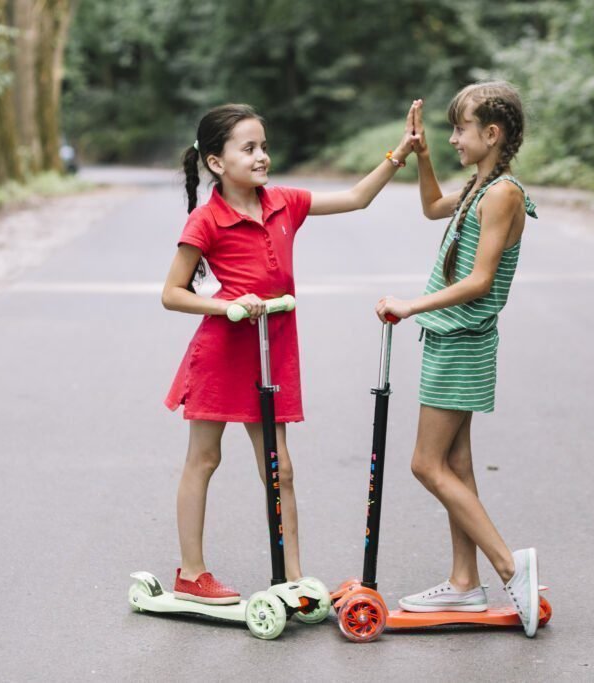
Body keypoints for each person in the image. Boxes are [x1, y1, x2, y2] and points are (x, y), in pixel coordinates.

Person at [161, 102, 420, 604]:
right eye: (249, 148)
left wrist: (398, 153)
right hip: (223, 351)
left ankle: (293, 578)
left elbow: (356, 198)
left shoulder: (284, 202)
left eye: (264, 147)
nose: (262, 156)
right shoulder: (206, 220)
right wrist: (229, 306)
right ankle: (191, 573)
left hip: (269, 353)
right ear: (216, 162)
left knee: (279, 468)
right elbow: (172, 293)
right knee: (204, 459)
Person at [374, 82, 543, 637]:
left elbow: (480, 280)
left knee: (425, 464)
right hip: (452, 340)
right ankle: (465, 583)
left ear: (491, 134)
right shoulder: (479, 186)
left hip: (463, 340)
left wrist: (410, 304)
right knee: (458, 466)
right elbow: (429, 208)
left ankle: (508, 567)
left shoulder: (502, 194)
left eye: (460, 129)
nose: (451, 138)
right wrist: (420, 156)